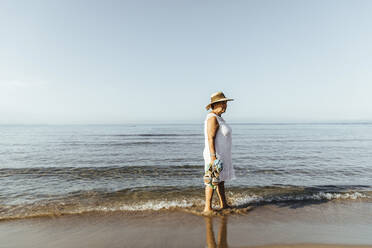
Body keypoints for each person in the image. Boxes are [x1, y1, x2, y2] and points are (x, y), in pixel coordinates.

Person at [203, 91, 236, 214]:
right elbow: (210, 138)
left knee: (220, 181)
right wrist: (213, 157)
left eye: (225, 103)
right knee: (211, 181)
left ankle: (224, 204)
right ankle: (207, 208)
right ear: (215, 104)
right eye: (223, 103)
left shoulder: (219, 117)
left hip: (220, 154)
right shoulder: (212, 118)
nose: (225, 105)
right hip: (214, 155)